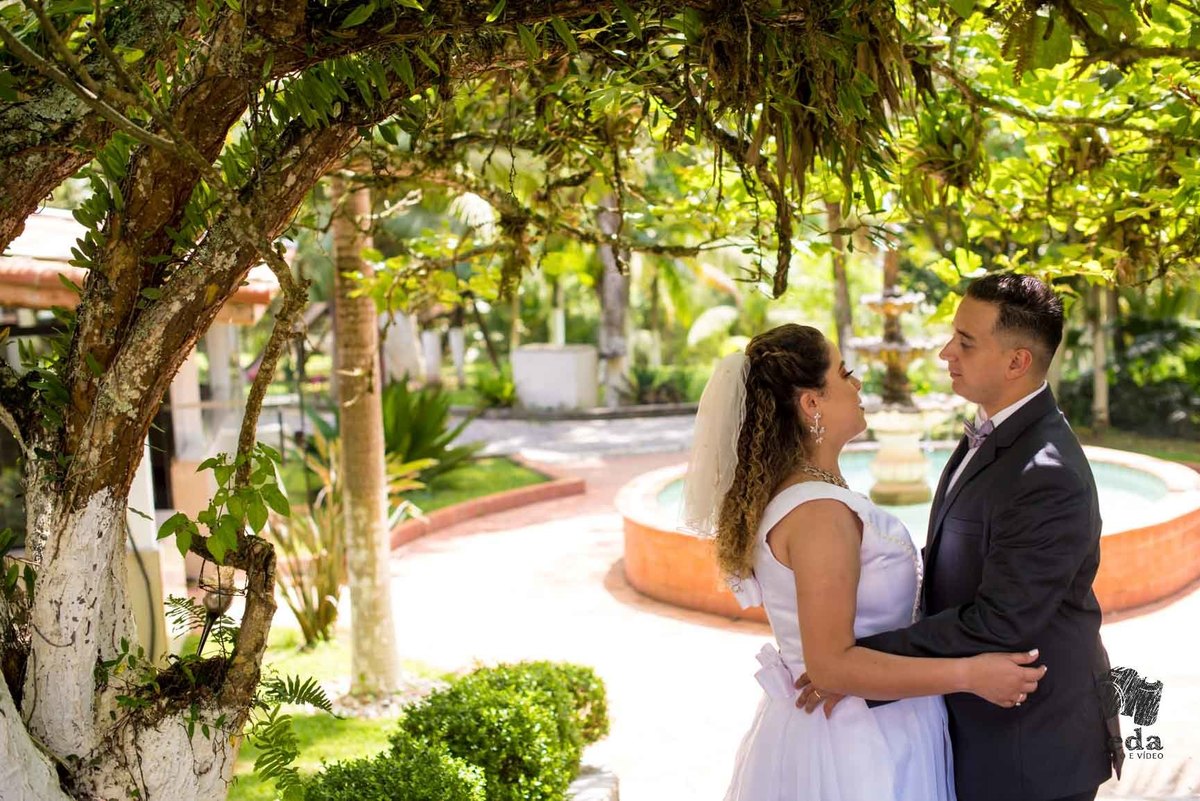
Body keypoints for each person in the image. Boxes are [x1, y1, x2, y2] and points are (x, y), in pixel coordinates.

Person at [681, 323, 1045, 801]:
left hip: (868, 721)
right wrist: (971, 675)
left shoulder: (813, 495)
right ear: (811, 403)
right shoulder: (819, 514)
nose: (857, 384)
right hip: (856, 743)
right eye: (843, 373)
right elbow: (831, 668)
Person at [796, 274, 1124, 801]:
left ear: (1017, 362)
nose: (946, 351)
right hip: (981, 731)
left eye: (965, 343)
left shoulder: (1047, 473)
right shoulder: (992, 430)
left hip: (1030, 750)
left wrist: (854, 665)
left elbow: (1001, 622)